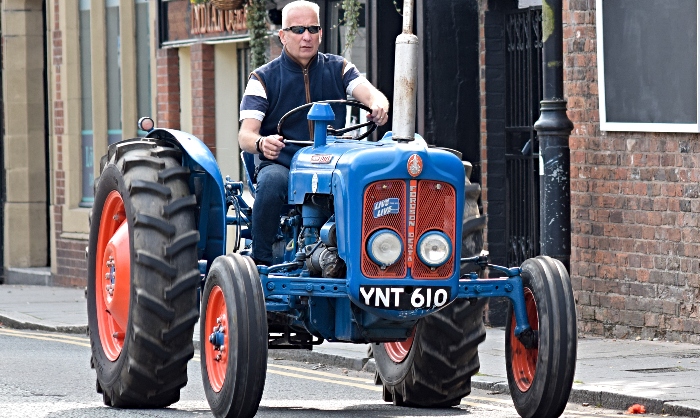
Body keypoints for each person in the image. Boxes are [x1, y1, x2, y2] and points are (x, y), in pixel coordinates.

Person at [238, 0, 390, 266]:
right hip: (284, 162)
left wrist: (378, 104)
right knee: (272, 183)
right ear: (282, 35)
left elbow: (372, 94)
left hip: (334, 164)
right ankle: (261, 264)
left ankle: (379, 255)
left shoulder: (339, 68)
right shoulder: (262, 78)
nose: (306, 36)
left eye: (313, 28)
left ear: (320, 33)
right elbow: (246, 136)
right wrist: (262, 143)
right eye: (297, 29)